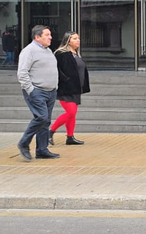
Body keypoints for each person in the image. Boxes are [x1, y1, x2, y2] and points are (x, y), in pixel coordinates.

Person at [16, 25, 60, 161]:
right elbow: (22, 73)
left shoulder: (48, 51)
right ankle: (24, 143)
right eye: (47, 35)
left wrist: (55, 86)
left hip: (50, 91)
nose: (50, 37)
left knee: (46, 121)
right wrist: (31, 90)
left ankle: (42, 149)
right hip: (37, 91)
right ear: (37, 37)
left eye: (50, 34)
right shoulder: (29, 51)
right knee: (41, 117)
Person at [50, 31, 90, 146]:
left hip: (76, 88)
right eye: (74, 39)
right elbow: (57, 70)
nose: (78, 40)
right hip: (66, 88)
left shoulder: (76, 53)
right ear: (68, 41)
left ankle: (70, 137)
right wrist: (66, 80)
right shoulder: (61, 53)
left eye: (78, 38)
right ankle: (50, 132)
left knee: (72, 113)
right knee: (71, 112)